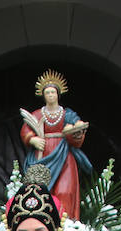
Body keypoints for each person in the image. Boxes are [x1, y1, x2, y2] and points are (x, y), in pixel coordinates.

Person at [20, 70, 91, 221]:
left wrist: (75, 132)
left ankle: (65, 225)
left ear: (58, 94)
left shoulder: (67, 114)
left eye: (53, 92)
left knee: (65, 190)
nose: (50, 95)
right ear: (43, 95)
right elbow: (26, 129)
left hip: (63, 155)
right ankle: (42, 223)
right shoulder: (38, 114)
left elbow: (77, 129)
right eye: (47, 92)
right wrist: (32, 139)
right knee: (43, 191)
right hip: (43, 154)